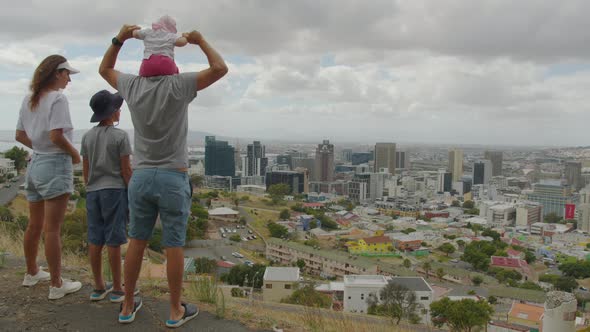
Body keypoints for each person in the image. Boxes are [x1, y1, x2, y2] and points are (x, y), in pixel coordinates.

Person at [99, 24, 227, 327]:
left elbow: (104, 68)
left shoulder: (131, 85)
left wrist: (119, 39)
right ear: (171, 56)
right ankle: (174, 311)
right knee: (173, 246)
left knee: (137, 241)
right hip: (173, 176)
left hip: (141, 177)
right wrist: (199, 39)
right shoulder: (179, 85)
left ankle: (127, 305)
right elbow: (220, 68)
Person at [15, 54, 83, 300]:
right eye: (67, 75)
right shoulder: (58, 99)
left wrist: (39, 146)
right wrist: (75, 154)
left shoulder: (28, 99)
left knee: (35, 224)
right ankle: (56, 284)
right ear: (57, 73)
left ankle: (32, 272)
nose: (69, 80)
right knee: (52, 229)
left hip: (35, 163)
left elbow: (19, 135)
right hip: (54, 163)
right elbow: (56, 136)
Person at [80, 90, 133, 302]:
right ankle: (118, 289)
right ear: (112, 113)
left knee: (95, 239)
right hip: (115, 191)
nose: (120, 110)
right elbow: (126, 170)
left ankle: (99, 286)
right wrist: (133, 192)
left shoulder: (86, 136)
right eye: (118, 108)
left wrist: (90, 185)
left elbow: (85, 168)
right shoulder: (120, 136)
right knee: (114, 240)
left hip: (93, 191)